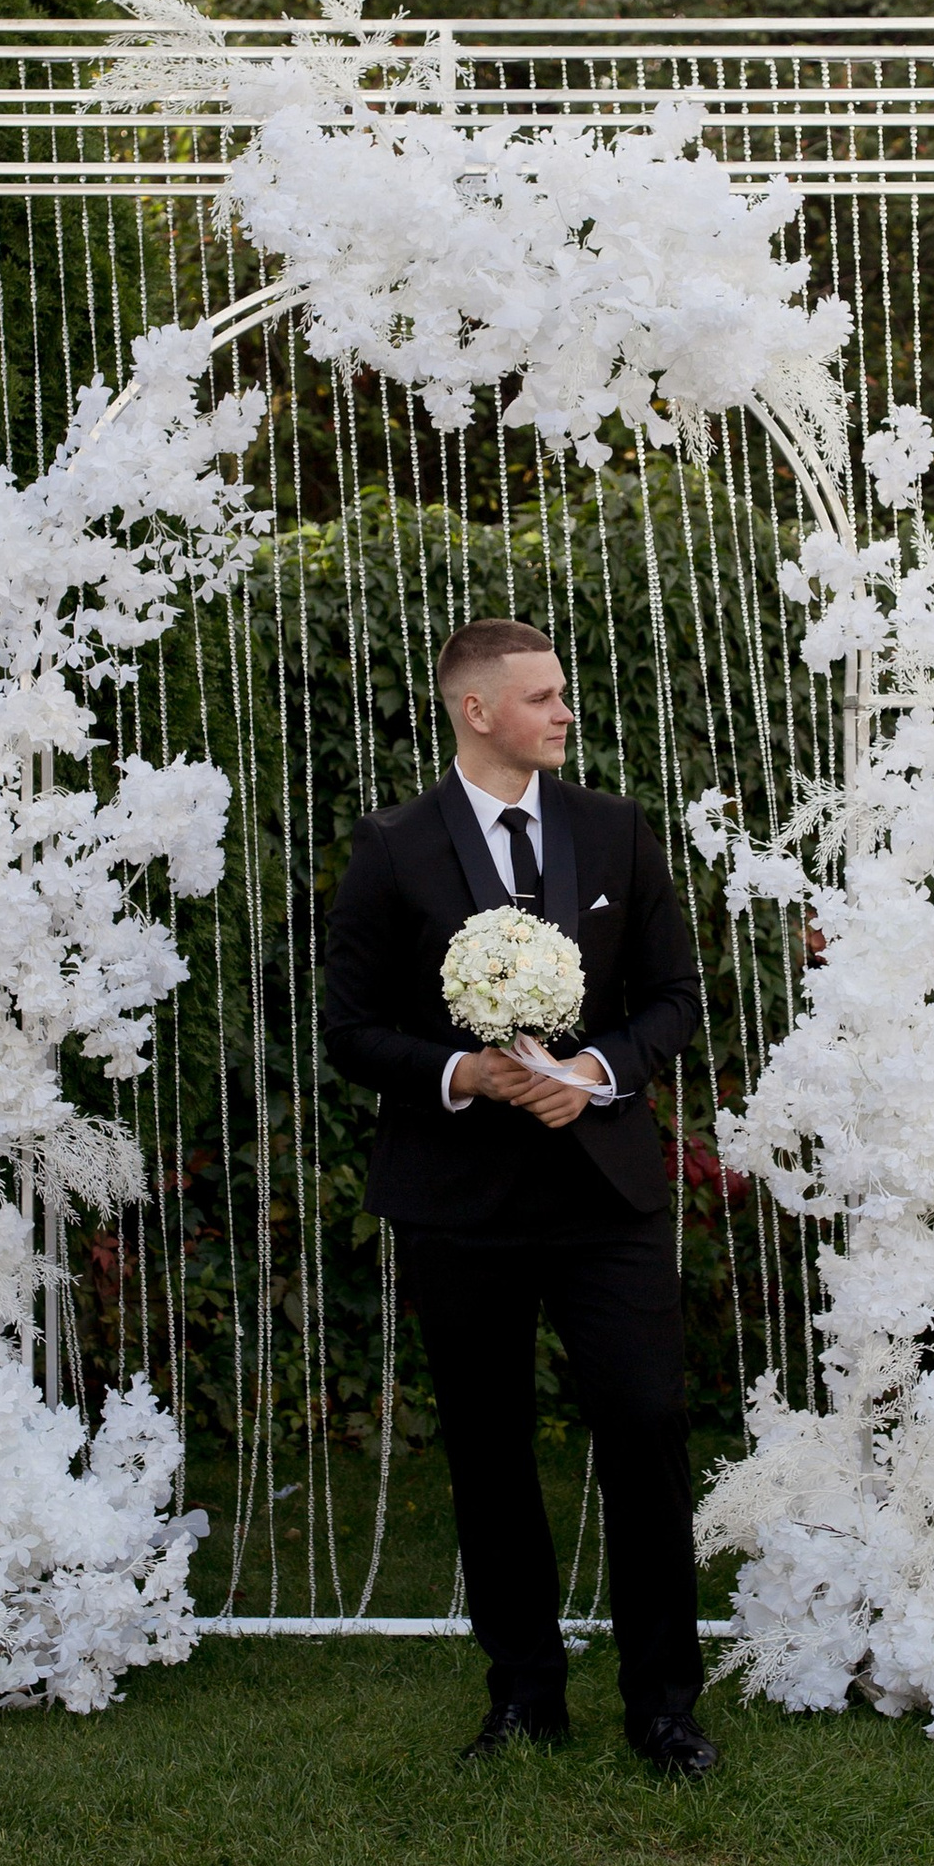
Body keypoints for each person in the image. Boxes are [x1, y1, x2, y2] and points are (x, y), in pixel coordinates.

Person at [322, 616, 717, 1777]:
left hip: (605, 1194)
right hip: (459, 1200)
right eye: (540, 697)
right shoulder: (391, 848)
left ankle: (664, 1708)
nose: (563, 713)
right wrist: (465, 1073)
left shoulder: (615, 830)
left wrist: (594, 1072)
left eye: (563, 694)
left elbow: (674, 997)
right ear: (474, 710)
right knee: (489, 1449)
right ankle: (525, 1696)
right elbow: (350, 1032)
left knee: (644, 1431)